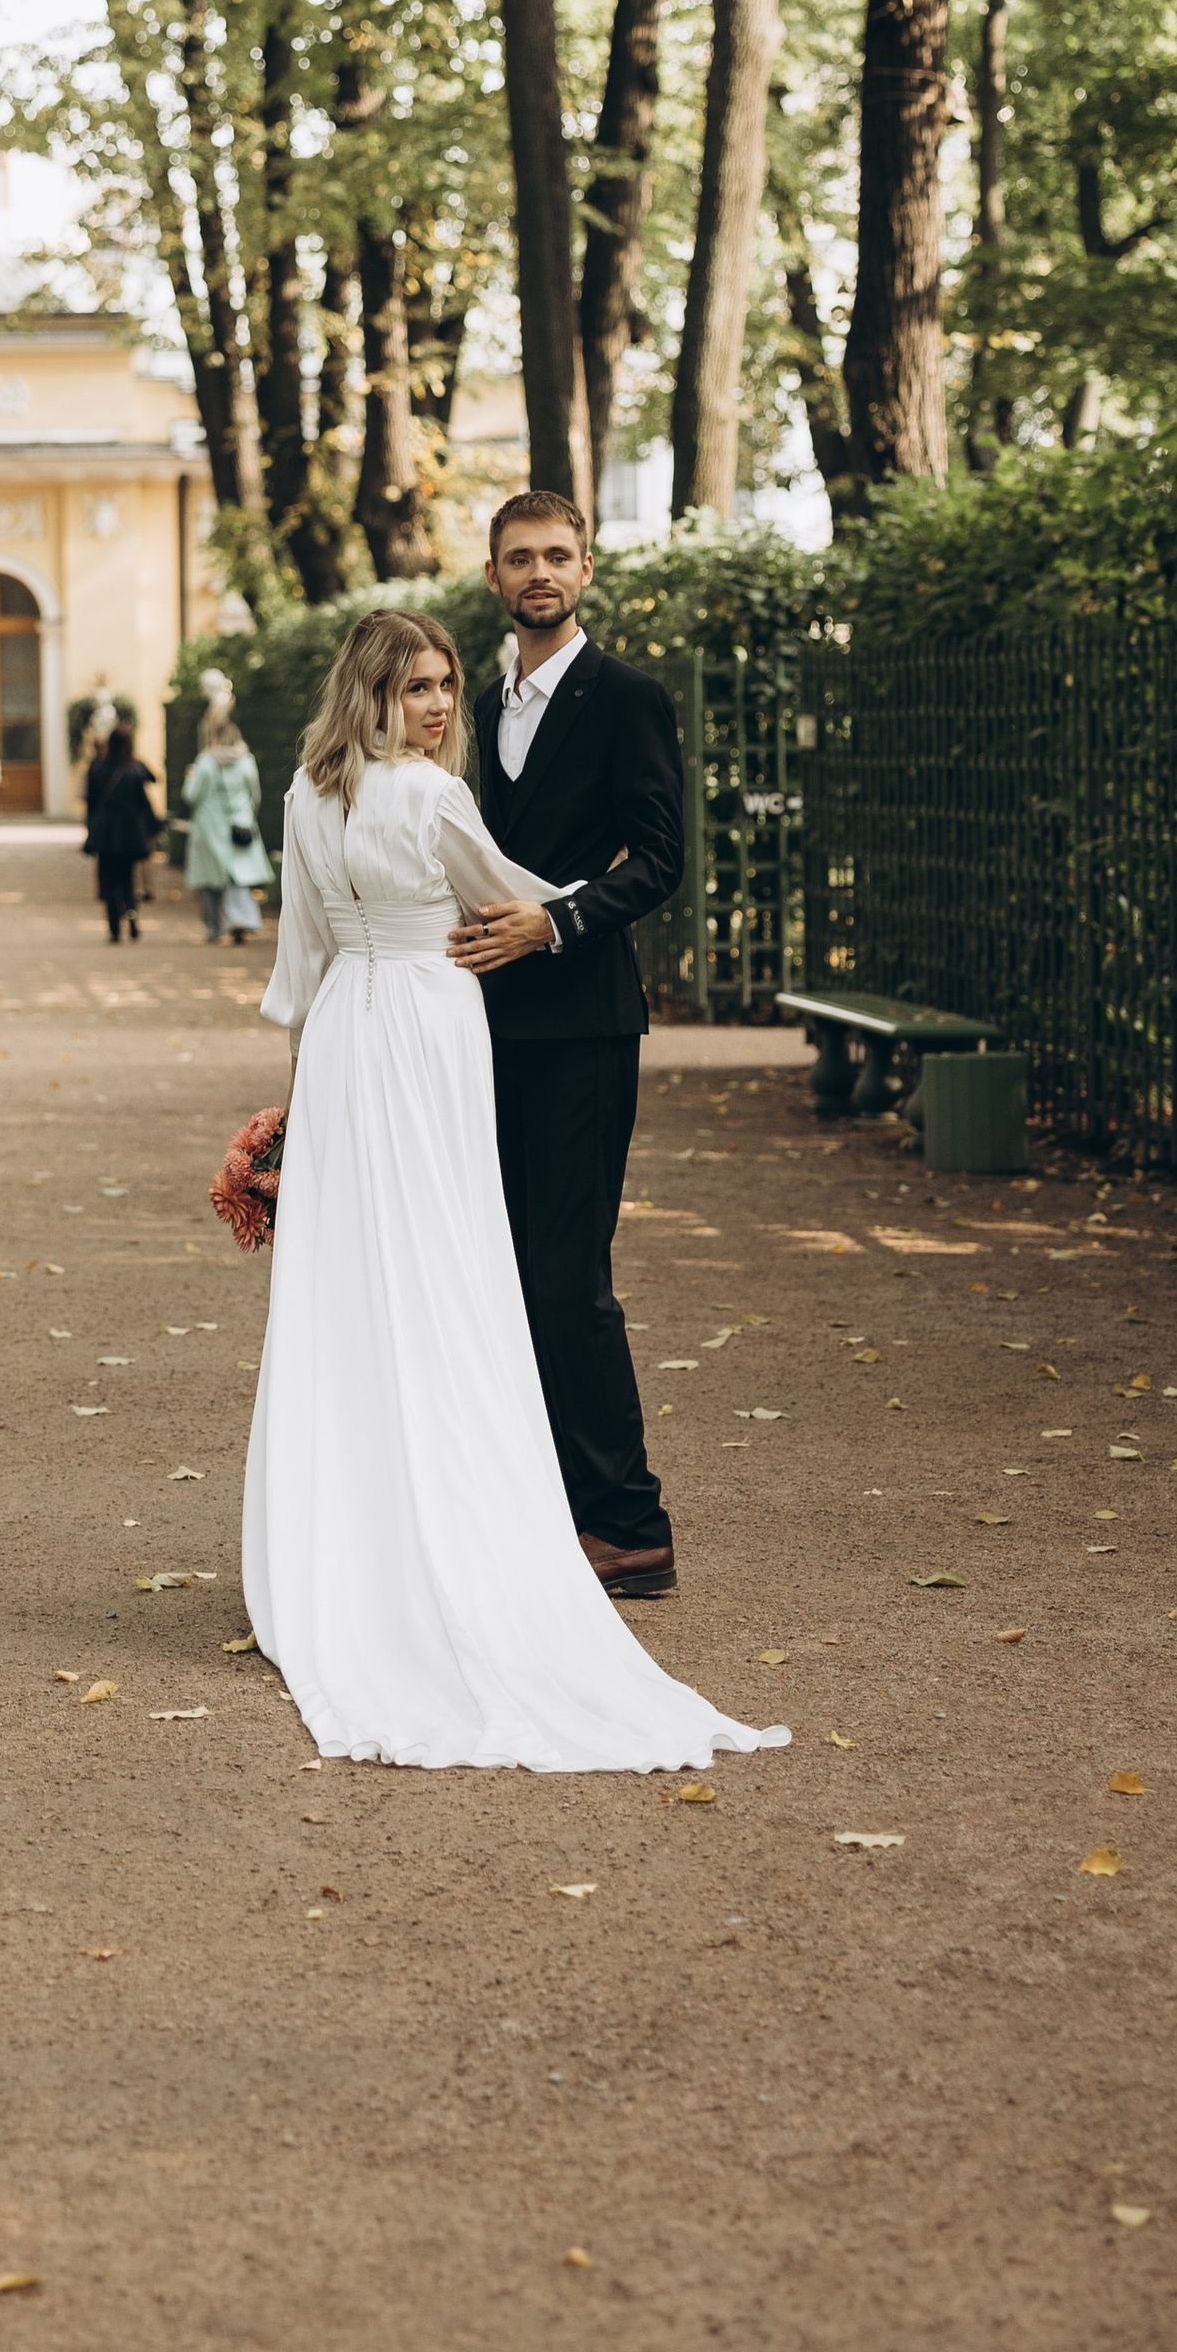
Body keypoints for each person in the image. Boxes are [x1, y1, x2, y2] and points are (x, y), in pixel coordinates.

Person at [242, 608, 785, 1776]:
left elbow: (301, 973)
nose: (439, 706)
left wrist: (288, 1118)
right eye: (414, 687)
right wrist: (579, 905)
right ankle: (466, 1529)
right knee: (449, 1270)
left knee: (347, 1280)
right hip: (433, 1030)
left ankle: (346, 1544)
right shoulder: (435, 799)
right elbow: (526, 897)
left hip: (342, 1046)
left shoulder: (300, 795)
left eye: (445, 684)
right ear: (371, 694)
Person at [446, 488, 688, 1601]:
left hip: (583, 1019)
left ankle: (629, 1526)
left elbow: (659, 857)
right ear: (492, 577)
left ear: (584, 571)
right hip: (475, 1022)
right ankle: (536, 1507)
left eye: (556, 555)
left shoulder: (628, 697)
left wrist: (558, 918)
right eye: (517, 557)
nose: (538, 572)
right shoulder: (463, 706)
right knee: (495, 1273)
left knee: (568, 1277)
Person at [181, 713, 266, 943]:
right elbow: (255, 794)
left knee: (211, 881)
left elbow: (191, 795)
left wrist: (190, 778)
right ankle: (241, 919)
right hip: (241, 824)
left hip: (210, 825)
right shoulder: (246, 761)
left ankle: (215, 927)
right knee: (238, 876)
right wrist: (247, 815)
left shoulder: (205, 762)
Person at [84, 720, 159, 941]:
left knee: (108, 877)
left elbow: (91, 801)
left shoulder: (97, 767)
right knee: (127, 876)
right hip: (129, 830)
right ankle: (132, 913)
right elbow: (143, 803)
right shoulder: (134, 769)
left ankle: (114, 926)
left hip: (106, 831)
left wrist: (90, 828)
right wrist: (151, 827)